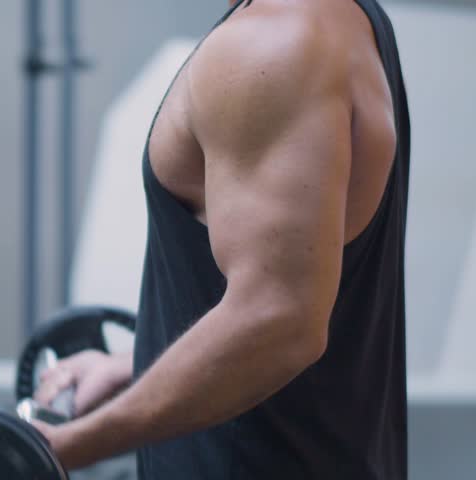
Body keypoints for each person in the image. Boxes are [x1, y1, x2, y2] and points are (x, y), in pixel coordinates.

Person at [33, 0, 411, 478]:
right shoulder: (339, 19)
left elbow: (278, 322)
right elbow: (301, 287)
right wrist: (138, 367)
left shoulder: (274, 44)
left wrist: (66, 445)